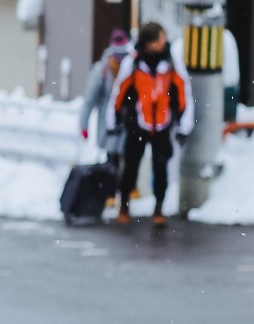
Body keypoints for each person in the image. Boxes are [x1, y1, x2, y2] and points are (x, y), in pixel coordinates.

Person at [112, 21, 192, 227]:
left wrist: (184, 123)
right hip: (138, 122)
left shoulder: (171, 61)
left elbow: (183, 90)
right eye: (160, 38)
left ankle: (159, 208)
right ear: (150, 42)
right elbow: (119, 90)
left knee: (161, 166)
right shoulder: (134, 62)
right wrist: (113, 118)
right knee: (131, 166)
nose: (164, 41)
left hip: (162, 123)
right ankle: (124, 206)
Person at [77, 27, 132, 160]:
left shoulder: (131, 67)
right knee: (111, 163)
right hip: (108, 127)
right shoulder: (101, 71)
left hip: (127, 127)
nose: (120, 62)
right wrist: (84, 125)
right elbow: (89, 100)